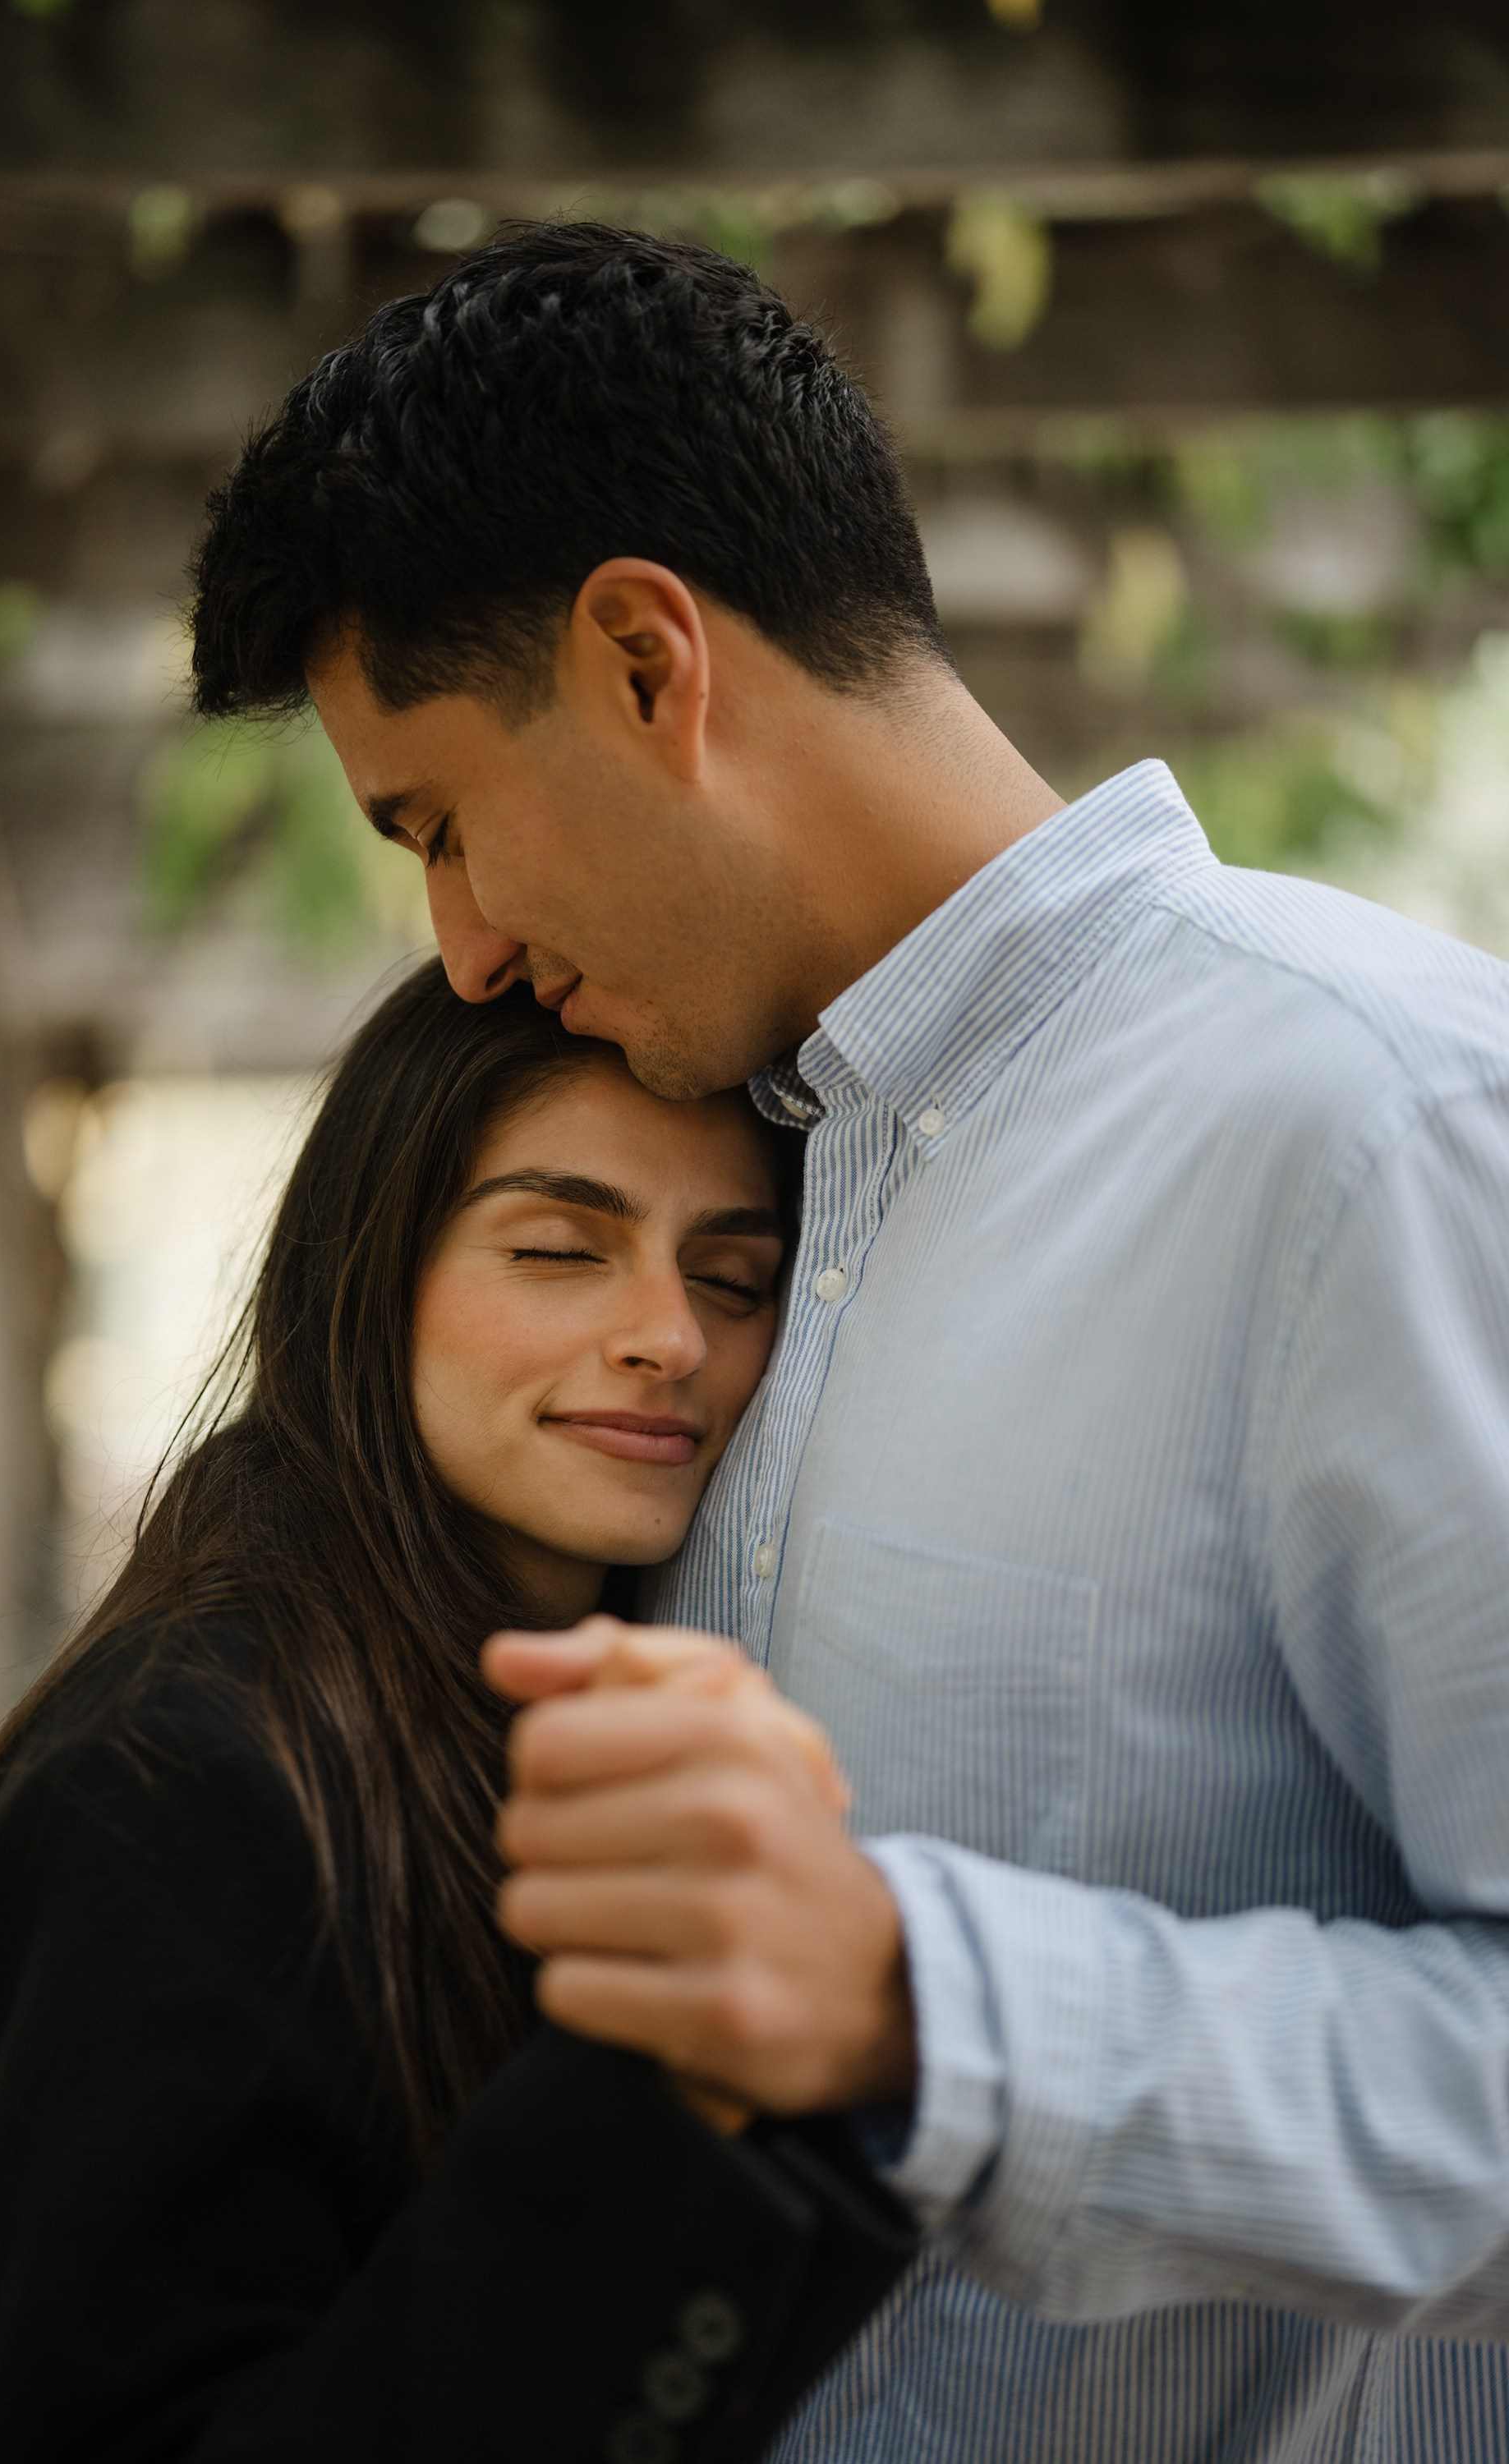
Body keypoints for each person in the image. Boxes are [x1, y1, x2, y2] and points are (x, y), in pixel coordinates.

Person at [186, 222, 1509, 2461]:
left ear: (641, 663)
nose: (467, 952)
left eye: (441, 825)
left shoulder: (1375, 1126)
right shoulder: (746, 1199)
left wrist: (923, 2001)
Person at [0, 959, 918, 2464]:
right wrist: (663, 2098)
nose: (669, 1337)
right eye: (560, 1248)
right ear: (363, 1266)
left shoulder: (552, 1722)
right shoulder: (183, 1779)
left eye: (733, 1279)